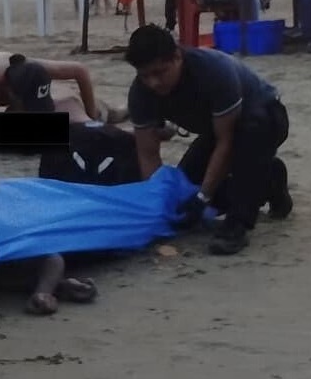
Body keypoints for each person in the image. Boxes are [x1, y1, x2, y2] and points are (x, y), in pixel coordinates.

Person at [124, 24, 292, 255]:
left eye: (159, 72)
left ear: (177, 57)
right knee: (186, 191)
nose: (153, 83)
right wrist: (157, 206)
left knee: (246, 143)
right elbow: (147, 153)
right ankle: (270, 181)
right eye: (145, 76)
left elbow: (227, 141)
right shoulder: (140, 94)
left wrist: (204, 196)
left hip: (264, 118)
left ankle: (237, 224)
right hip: (217, 131)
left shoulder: (212, 71)